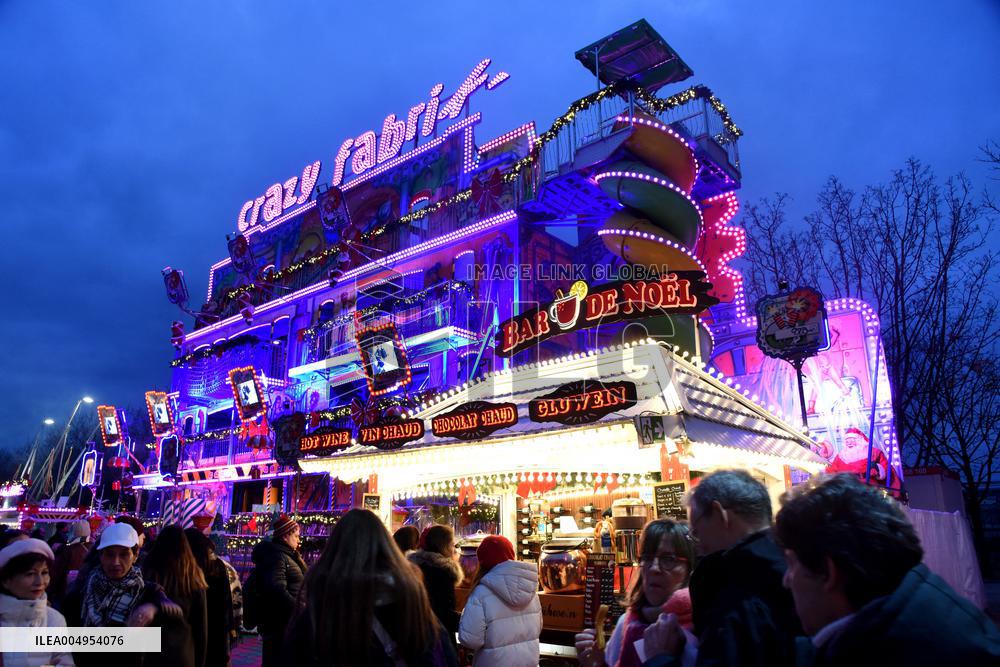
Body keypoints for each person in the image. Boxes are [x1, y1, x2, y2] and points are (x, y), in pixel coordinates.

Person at [774, 473, 1000, 666]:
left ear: (828, 571)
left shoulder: (893, 652)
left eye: (792, 564)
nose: (786, 580)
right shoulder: (926, 613)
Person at [642, 470, 801, 667]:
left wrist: (661, 658)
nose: (698, 545)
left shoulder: (733, 592)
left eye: (696, 532)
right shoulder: (798, 569)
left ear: (719, 514)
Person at [285, 508, 457, 666]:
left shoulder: (321, 610)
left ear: (335, 550)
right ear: (386, 546)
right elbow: (445, 656)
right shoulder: (413, 601)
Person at [576, 520, 695, 667]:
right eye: (648, 558)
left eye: (668, 559)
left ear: (690, 569)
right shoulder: (625, 623)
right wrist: (597, 664)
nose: (654, 568)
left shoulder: (702, 628)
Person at [73, 522, 183, 667]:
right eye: (110, 554)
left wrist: (154, 607)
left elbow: (176, 615)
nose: (116, 562)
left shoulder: (148, 592)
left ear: (135, 555)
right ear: (101, 556)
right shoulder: (84, 591)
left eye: (124, 554)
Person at [458, 535, 541, 666]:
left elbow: (470, 640)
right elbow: (537, 628)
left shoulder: (480, 593)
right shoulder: (530, 591)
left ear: (482, 561)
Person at [0, 538, 74, 666]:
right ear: (6, 581)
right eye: (30, 574)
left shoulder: (54, 619)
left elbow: (64, 660)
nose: (40, 582)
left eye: (44, 572)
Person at [142, 525, 208, 667]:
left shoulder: (148, 570)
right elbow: (201, 627)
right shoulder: (194, 578)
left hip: (152, 651)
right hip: (182, 651)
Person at [250, 513, 306, 667]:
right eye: (295, 536)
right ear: (285, 537)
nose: (298, 539)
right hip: (279, 623)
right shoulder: (278, 557)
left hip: (286, 622)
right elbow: (277, 588)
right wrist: (298, 608)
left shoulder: (289, 556)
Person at [186, 527, 240, 667]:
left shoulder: (186, 571)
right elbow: (228, 604)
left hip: (194, 639)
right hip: (215, 636)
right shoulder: (219, 566)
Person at [408, 524, 463, 644]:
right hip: (438, 637)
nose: (454, 549)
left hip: (414, 634)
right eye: (452, 544)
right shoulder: (443, 572)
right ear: (446, 546)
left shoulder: (412, 567)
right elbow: (445, 614)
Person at [49, 520, 92, 609]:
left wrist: (51, 590)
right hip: (86, 590)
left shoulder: (68, 549)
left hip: (66, 590)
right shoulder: (94, 548)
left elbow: (58, 571)